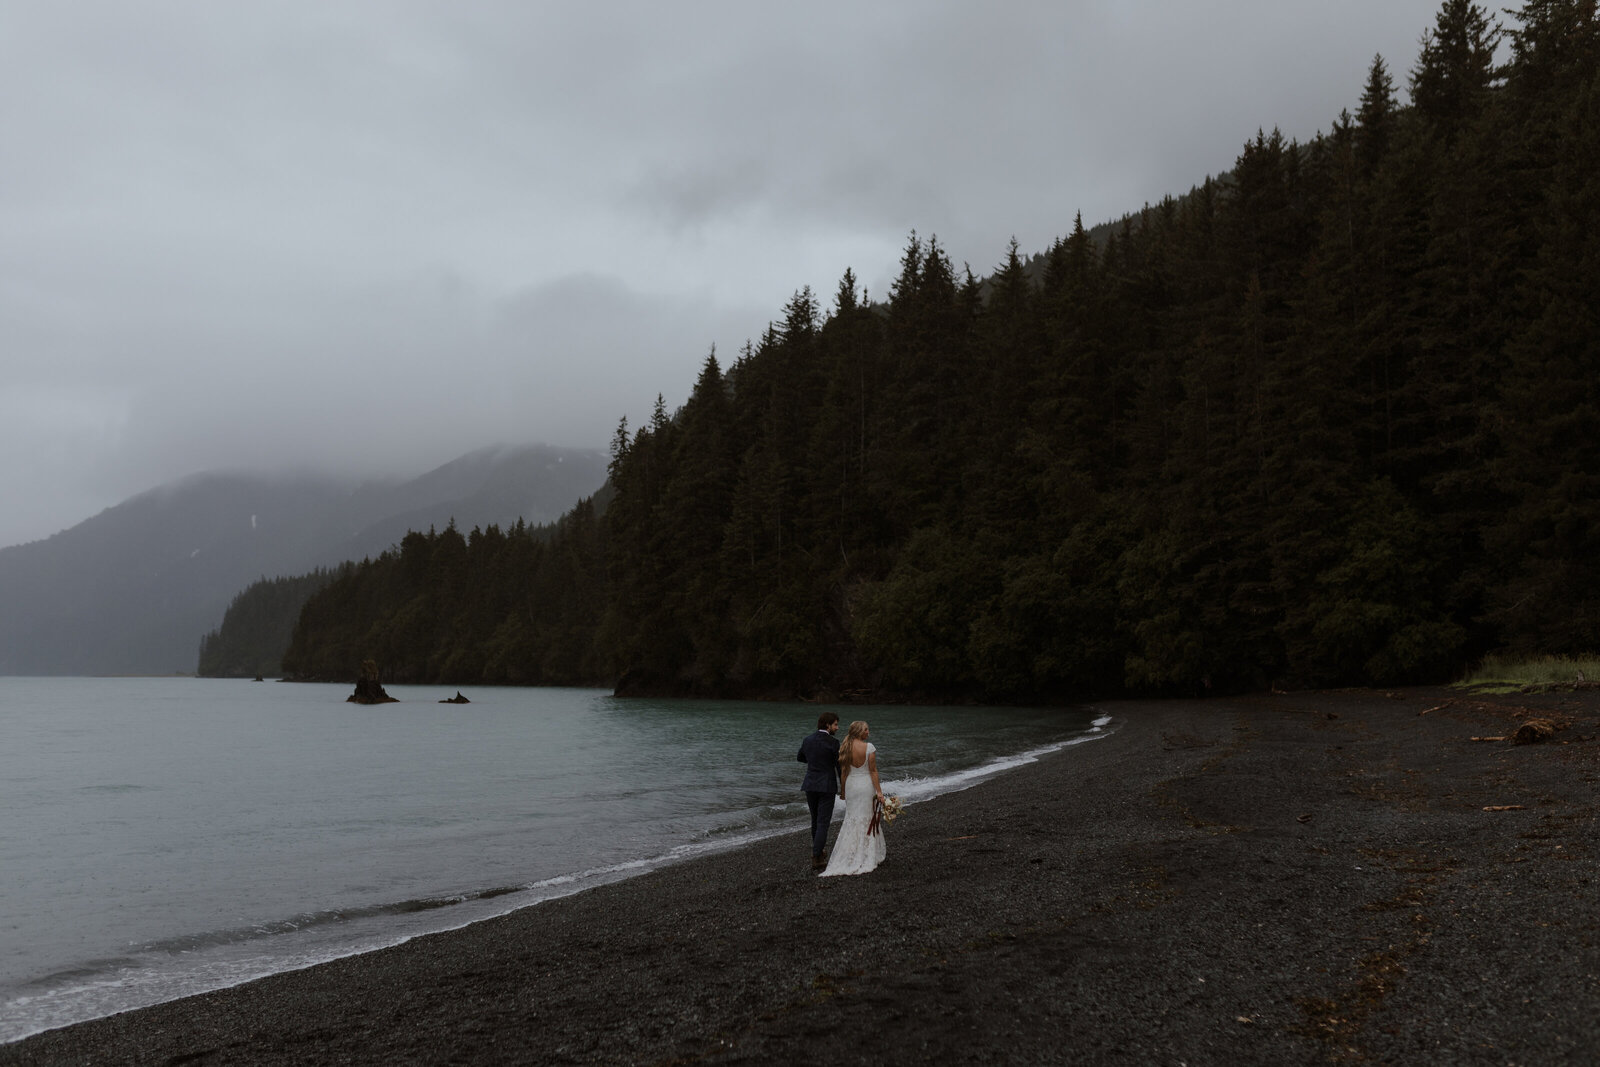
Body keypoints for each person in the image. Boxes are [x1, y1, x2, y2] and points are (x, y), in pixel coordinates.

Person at [820, 720, 886, 877]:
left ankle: (851, 853)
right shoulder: (869, 747)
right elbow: (873, 771)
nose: (868, 732)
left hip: (851, 786)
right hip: (865, 786)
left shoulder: (845, 747)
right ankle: (867, 854)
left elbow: (843, 773)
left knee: (852, 819)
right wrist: (879, 792)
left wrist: (843, 792)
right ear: (859, 732)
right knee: (868, 818)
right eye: (866, 730)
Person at [797, 711, 841, 870]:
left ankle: (819, 851)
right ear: (827, 725)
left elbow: (800, 757)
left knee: (815, 820)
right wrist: (844, 786)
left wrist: (814, 760)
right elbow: (839, 766)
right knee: (823, 822)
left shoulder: (807, 739)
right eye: (835, 724)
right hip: (827, 785)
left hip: (810, 784)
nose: (837, 727)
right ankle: (816, 855)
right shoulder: (834, 743)